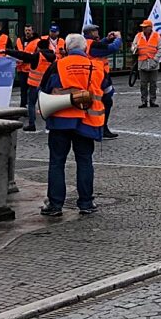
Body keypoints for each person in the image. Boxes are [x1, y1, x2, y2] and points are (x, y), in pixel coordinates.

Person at [39, 33, 108, 216]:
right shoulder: (97, 66)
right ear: (85, 48)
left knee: (56, 163)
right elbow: (108, 92)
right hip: (86, 122)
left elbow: (43, 90)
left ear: (67, 48)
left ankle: (55, 205)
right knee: (84, 162)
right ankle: (86, 203)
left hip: (60, 122)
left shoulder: (57, 66)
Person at [6, 31, 58, 131]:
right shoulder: (54, 57)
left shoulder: (37, 56)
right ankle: (49, 126)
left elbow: (21, 55)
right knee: (48, 105)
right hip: (47, 85)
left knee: (31, 104)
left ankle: (32, 124)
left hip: (34, 85)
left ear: (38, 47)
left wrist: (8, 51)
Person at [82, 24, 122, 138]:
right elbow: (112, 48)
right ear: (91, 33)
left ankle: (99, 127)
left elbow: (101, 46)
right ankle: (101, 128)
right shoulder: (93, 45)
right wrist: (118, 38)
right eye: (95, 30)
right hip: (99, 77)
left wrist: (106, 39)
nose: (97, 32)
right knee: (105, 102)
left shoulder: (87, 43)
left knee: (101, 102)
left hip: (95, 76)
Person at [131, 19, 161, 108]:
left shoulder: (157, 36)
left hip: (153, 63)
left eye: (145, 27)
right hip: (142, 63)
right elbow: (133, 47)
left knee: (153, 83)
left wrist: (155, 59)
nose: (143, 28)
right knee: (143, 84)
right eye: (143, 27)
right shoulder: (138, 36)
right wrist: (135, 49)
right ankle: (144, 101)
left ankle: (152, 101)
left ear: (150, 28)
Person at [13, 25, 38, 108]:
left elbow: (36, 56)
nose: (27, 32)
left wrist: (24, 60)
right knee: (23, 90)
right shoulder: (19, 40)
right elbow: (16, 52)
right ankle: (23, 106)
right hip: (21, 70)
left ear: (32, 31)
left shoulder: (37, 41)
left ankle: (31, 106)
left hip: (31, 70)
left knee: (31, 91)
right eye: (26, 30)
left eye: (29, 30)